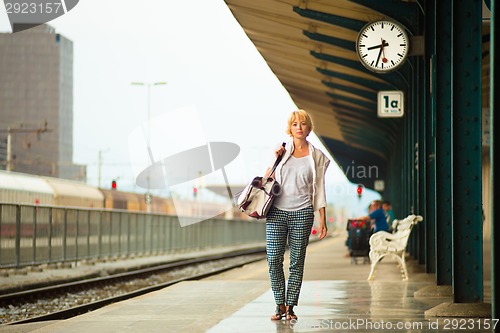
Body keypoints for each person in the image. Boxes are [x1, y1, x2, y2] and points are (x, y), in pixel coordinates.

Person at [264, 109, 330, 321]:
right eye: (295, 124)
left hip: (302, 213)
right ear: (290, 129)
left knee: (296, 262)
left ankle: (290, 307)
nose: (299, 127)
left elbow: (319, 188)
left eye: (302, 124)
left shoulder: (317, 156)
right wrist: (275, 160)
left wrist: (323, 219)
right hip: (276, 213)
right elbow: (267, 179)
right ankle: (279, 303)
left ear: (309, 129)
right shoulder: (281, 152)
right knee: (274, 259)